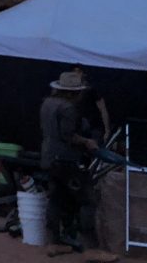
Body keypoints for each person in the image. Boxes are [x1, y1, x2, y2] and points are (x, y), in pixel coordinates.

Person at [40, 71, 98, 249]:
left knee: (55, 197)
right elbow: (68, 136)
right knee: (79, 199)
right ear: (75, 93)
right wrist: (87, 142)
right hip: (65, 159)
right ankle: (76, 237)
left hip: (48, 155)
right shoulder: (68, 108)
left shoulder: (47, 103)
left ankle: (53, 237)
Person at [72, 65, 111, 144]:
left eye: (79, 71)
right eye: (74, 71)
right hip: (78, 127)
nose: (76, 74)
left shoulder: (91, 89)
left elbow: (103, 109)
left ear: (84, 74)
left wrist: (107, 130)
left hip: (94, 127)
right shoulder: (70, 91)